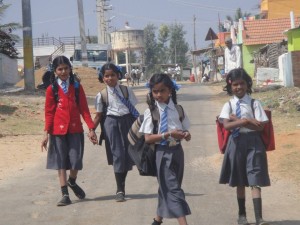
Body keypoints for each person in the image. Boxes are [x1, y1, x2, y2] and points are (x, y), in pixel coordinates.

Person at [41, 56, 98, 206]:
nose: (64, 71)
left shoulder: (77, 87)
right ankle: (64, 194)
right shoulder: (51, 89)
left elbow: (84, 109)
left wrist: (91, 128)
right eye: (60, 69)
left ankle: (72, 181)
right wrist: (46, 133)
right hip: (57, 131)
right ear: (55, 71)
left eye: (66, 68)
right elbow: (49, 112)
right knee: (61, 162)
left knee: (75, 161)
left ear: (70, 69)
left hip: (75, 129)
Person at [218, 68, 270, 225]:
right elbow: (226, 125)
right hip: (236, 144)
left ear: (247, 84)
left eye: (241, 84)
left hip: (254, 143)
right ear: (230, 86)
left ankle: (259, 218)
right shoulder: (228, 104)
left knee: (255, 178)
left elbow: (261, 126)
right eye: (235, 84)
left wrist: (238, 121)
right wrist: (246, 121)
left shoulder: (255, 103)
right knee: (240, 180)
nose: (238, 87)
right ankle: (242, 215)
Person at [139, 73, 191, 225]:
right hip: (161, 153)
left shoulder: (178, 109)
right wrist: (168, 134)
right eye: (155, 91)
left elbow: (186, 130)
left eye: (162, 91)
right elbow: (148, 138)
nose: (158, 95)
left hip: (177, 153)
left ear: (170, 91)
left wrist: (186, 135)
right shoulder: (151, 112)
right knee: (173, 190)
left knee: (167, 187)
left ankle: (157, 220)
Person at [93, 62, 139, 202]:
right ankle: (120, 189)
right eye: (106, 76)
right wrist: (91, 130)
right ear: (103, 77)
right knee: (117, 155)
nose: (110, 78)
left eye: (112, 75)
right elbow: (99, 115)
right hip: (111, 124)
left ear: (118, 75)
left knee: (127, 155)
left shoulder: (126, 91)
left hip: (127, 122)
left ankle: (122, 186)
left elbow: (133, 109)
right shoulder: (101, 95)